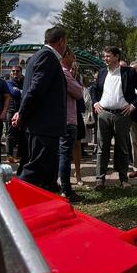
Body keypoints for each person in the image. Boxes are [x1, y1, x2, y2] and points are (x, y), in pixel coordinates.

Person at [12, 26, 67, 191]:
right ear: (62, 41)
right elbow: (35, 90)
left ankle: (49, 201)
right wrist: (21, 113)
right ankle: (15, 201)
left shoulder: (40, 56)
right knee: (35, 170)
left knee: (47, 171)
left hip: (42, 125)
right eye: (66, 42)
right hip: (43, 125)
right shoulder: (47, 56)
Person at [92, 47, 137, 190]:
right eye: (104, 56)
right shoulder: (103, 72)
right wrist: (95, 102)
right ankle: (100, 180)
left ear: (117, 57)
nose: (105, 58)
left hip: (122, 115)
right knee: (102, 148)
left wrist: (134, 105)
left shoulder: (128, 72)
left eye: (108, 56)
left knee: (122, 147)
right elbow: (94, 89)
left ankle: (123, 179)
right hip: (103, 114)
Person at [58, 47, 83, 202]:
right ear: (65, 56)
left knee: (61, 154)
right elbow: (79, 92)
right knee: (65, 155)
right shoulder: (64, 73)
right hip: (68, 119)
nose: (74, 58)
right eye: (72, 55)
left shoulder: (57, 71)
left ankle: (60, 186)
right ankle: (66, 190)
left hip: (62, 119)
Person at [6, 65, 24, 163]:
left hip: (23, 111)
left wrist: (20, 91)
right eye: (13, 71)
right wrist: (22, 91)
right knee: (11, 133)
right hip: (12, 110)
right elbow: (14, 93)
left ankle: (20, 155)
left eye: (17, 71)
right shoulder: (8, 82)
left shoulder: (24, 82)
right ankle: (9, 155)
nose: (15, 73)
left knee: (22, 133)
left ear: (21, 72)